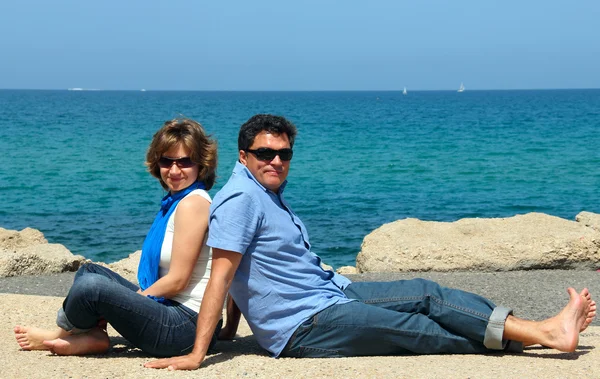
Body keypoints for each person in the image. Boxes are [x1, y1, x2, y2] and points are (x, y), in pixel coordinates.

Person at [145, 114, 597, 370]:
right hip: (306, 325)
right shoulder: (242, 198)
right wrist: (198, 353)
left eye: (284, 153)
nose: (276, 161)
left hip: (330, 294)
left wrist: (230, 330)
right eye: (265, 153)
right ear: (244, 156)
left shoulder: (264, 193)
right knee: (420, 333)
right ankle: (543, 334)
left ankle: (540, 329)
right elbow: (223, 274)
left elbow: (250, 268)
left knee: (425, 291)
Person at [14, 118, 223, 357]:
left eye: (184, 162)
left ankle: (61, 335)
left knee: (93, 288)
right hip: (170, 311)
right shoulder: (175, 202)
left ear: (201, 164)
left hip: (184, 328)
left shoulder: (192, 204)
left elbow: (178, 280)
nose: (174, 170)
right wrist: (128, 303)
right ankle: (92, 335)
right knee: (90, 272)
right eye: (167, 161)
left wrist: (132, 301)